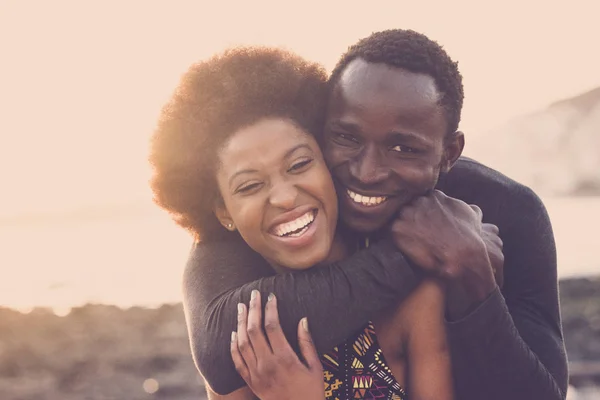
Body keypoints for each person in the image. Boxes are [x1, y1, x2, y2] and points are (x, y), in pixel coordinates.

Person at [154, 30, 568, 400]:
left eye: (404, 148)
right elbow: (217, 349)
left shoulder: (508, 210)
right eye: (347, 137)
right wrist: (408, 256)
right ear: (321, 129)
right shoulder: (274, 201)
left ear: (449, 154)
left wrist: (472, 274)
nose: (367, 172)